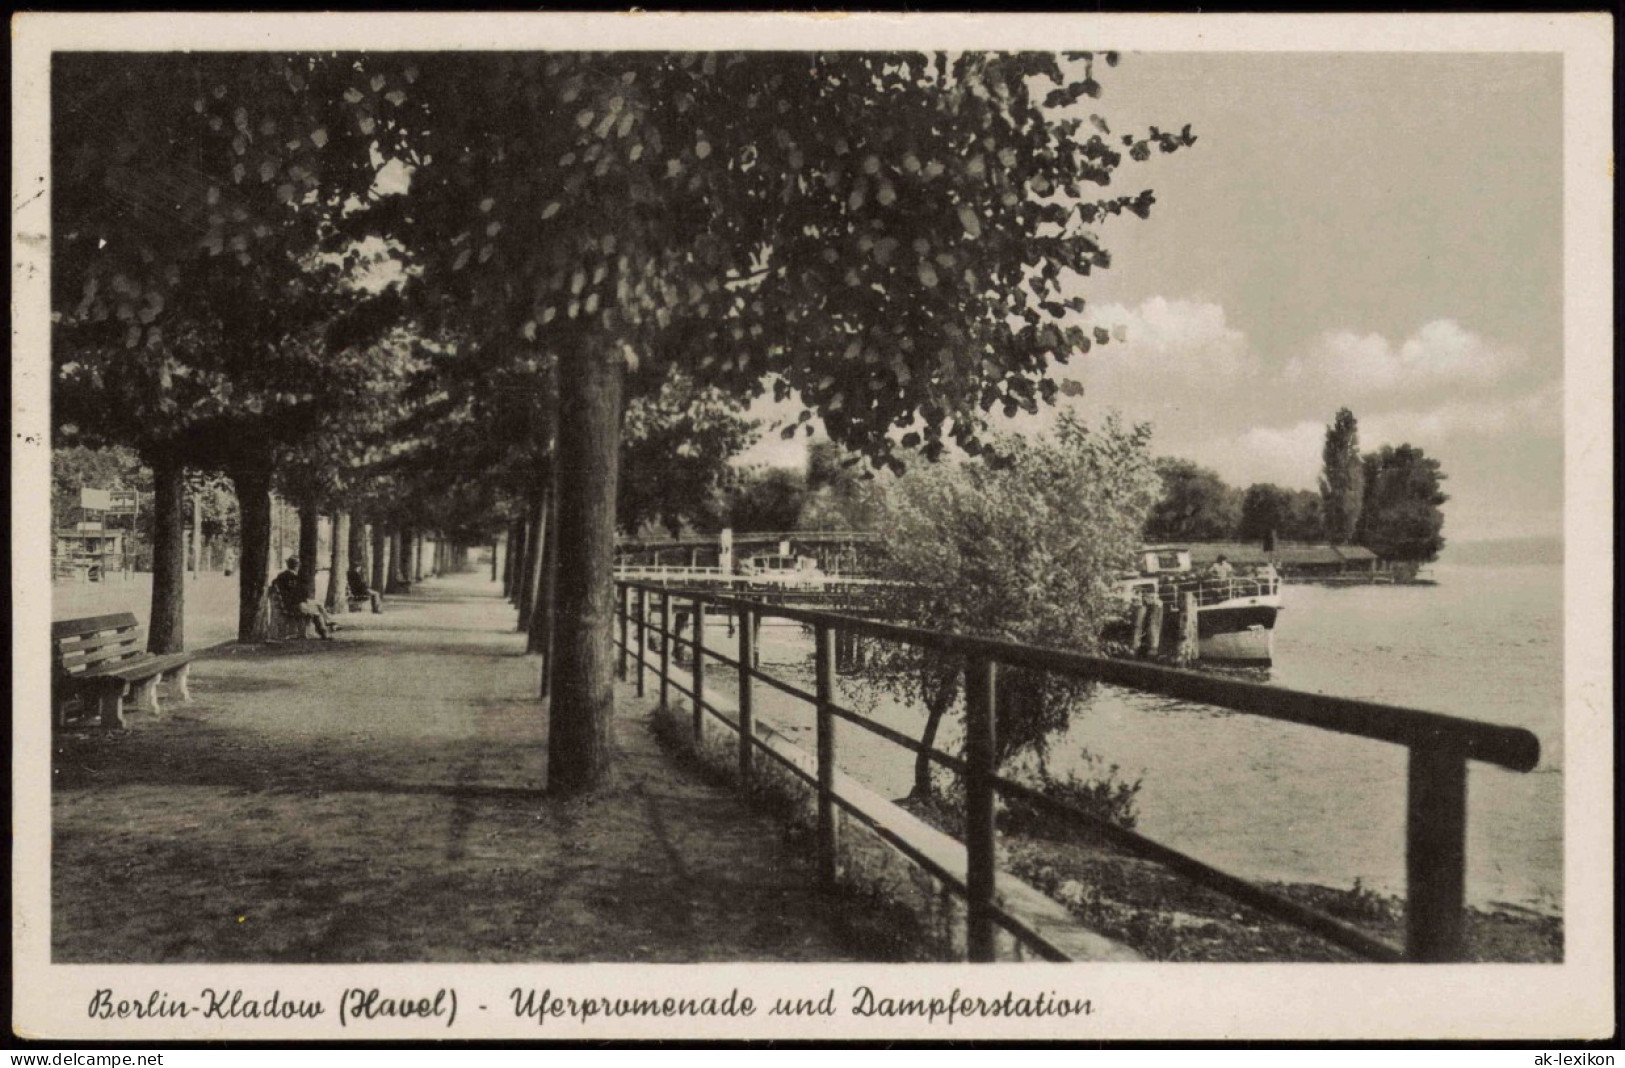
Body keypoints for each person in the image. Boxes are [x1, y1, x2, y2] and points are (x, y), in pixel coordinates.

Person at [269, 556, 337, 639]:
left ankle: (328, 621)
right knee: (317, 612)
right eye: (298, 565)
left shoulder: (281, 576)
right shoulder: (292, 578)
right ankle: (324, 632)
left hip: (290, 602)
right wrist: (304, 597)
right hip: (295, 604)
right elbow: (298, 593)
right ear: (297, 566)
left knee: (318, 604)